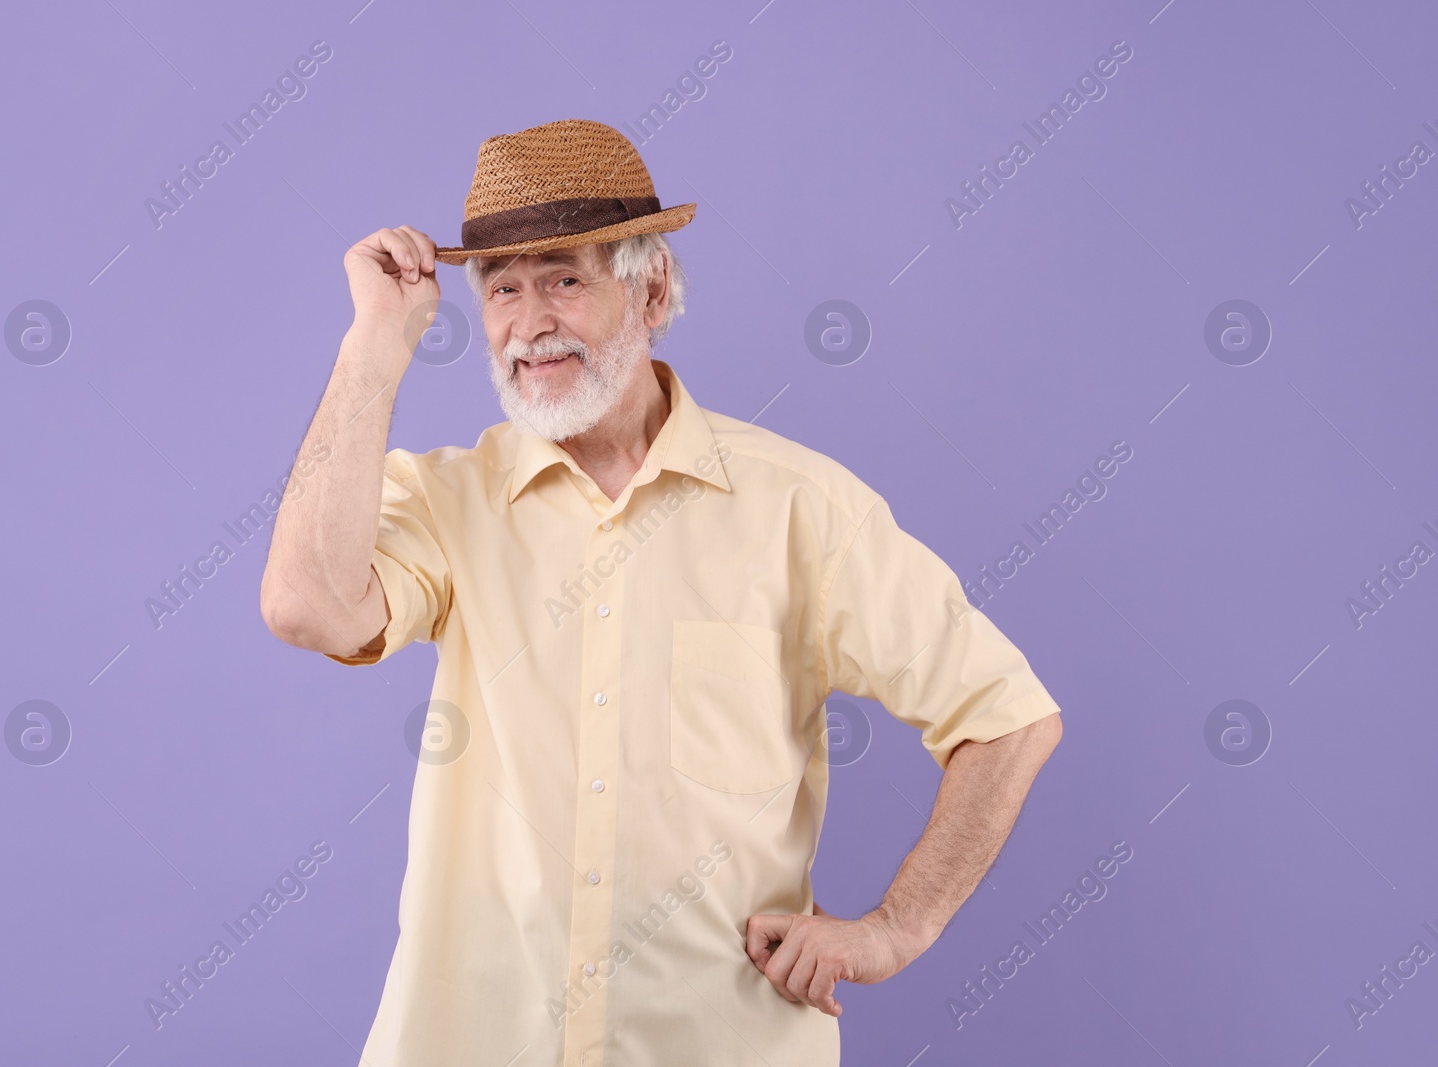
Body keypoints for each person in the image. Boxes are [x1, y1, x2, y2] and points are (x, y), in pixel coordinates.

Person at [260, 118, 1063, 1066]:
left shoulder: (800, 507)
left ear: (653, 289)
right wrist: (374, 345)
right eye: (503, 289)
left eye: (564, 277)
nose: (530, 322)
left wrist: (895, 928)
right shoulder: (446, 500)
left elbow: (1007, 716)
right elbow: (307, 604)